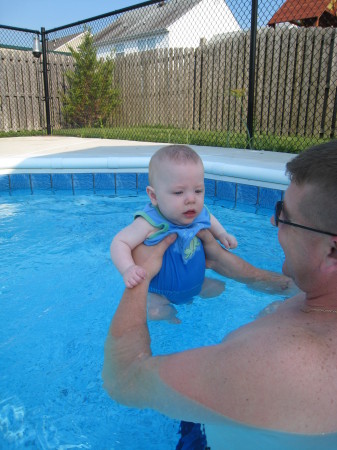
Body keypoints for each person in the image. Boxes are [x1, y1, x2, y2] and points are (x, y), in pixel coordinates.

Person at [103, 142, 337, 449]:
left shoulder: (273, 365)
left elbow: (124, 380)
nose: (271, 221)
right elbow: (287, 285)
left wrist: (140, 278)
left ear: (332, 250)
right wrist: (226, 261)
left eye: (283, 214)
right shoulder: (314, 302)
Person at [111, 145, 238, 321]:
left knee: (219, 289)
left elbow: (209, 216)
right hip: (160, 293)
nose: (191, 199)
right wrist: (128, 269)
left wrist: (222, 234)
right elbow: (120, 242)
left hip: (196, 283)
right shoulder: (150, 222)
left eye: (198, 191)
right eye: (179, 192)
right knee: (155, 313)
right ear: (154, 196)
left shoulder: (197, 213)